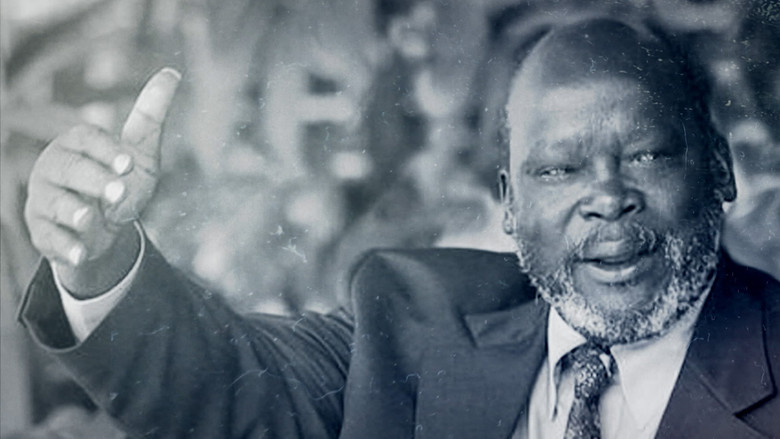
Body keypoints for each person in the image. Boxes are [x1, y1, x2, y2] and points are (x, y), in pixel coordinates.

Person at [18, 18, 779, 438]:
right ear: (510, 204)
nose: (607, 197)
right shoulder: (416, 324)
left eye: (646, 154)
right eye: (559, 170)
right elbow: (223, 387)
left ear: (719, 168)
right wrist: (101, 259)